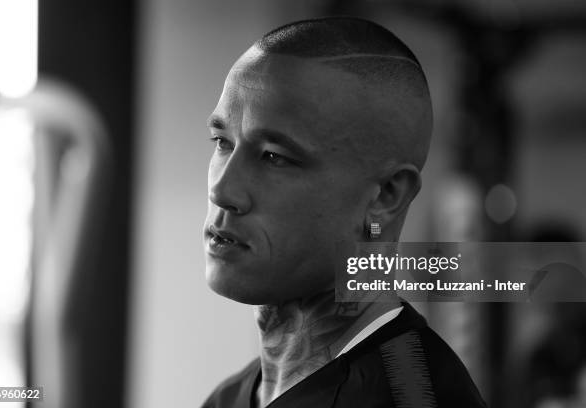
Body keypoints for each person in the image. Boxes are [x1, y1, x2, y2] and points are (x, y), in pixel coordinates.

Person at [202, 17, 486, 408]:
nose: (222, 190)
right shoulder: (228, 397)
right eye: (222, 142)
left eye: (274, 157)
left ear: (386, 195)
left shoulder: (414, 395)